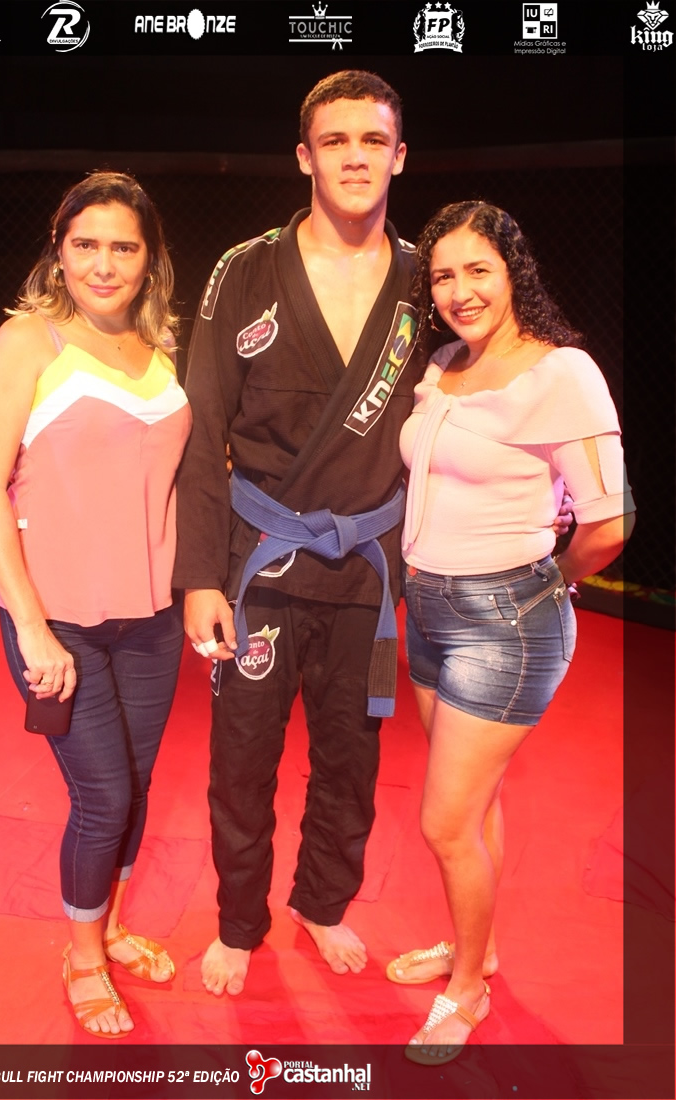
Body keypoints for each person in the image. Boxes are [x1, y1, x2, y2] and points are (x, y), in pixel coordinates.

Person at [173, 73, 572, 998]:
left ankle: (322, 903)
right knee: (241, 761)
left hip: (366, 568)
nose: (354, 157)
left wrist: (545, 487)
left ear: (398, 157)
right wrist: (198, 577)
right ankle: (239, 921)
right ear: (304, 156)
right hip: (259, 561)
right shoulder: (243, 270)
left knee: (350, 763)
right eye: (335, 140)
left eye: (372, 141)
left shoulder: (421, 280)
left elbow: (489, 379)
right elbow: (202, 431)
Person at [386, 200, 635, 1065]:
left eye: (476, 271)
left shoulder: (562, 373)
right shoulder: (443, 365)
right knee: (475, 804)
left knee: (443, 823)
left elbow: (609, 522)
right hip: (429, 609)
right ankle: (476, 949)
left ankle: (466, 990)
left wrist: (548, 583)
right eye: (442, 276)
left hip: (506, 623)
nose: (459, 291)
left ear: (512, 272)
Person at [0, 172, 192, 1039]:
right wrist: (29, 625)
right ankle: (84, 955)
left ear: (149, 259)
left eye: (123, 247)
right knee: (102, 796)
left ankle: (113, 926)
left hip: (152, 617)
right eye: (85, 244)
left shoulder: (163, 351)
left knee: (136, 785)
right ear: (58, 252)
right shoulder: (27, 342)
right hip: (56, 621)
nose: (104, 263)